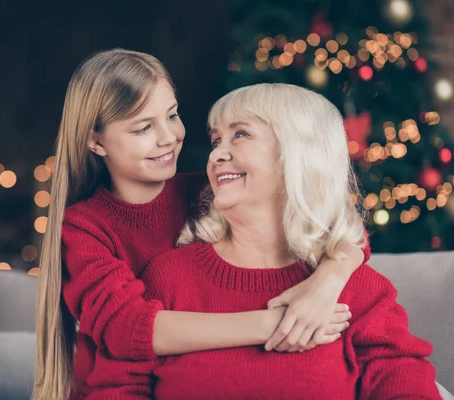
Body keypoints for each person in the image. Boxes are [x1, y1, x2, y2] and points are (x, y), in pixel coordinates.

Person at [32, 50, 369, 400]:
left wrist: (326, 284)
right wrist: (280, 322)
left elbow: (333, 228)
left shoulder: (210, 192)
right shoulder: (84, 227)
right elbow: (126, 330)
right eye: (143, 127)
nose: (168, 137)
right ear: (95, 140)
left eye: (172, 115)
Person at [86, 83, 441, 399]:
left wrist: (333, 271)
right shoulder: (169, 277)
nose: (217, 154)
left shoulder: (356, 289)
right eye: (216, 140)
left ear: (298, 153)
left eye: (240, 134)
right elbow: (119, 386)